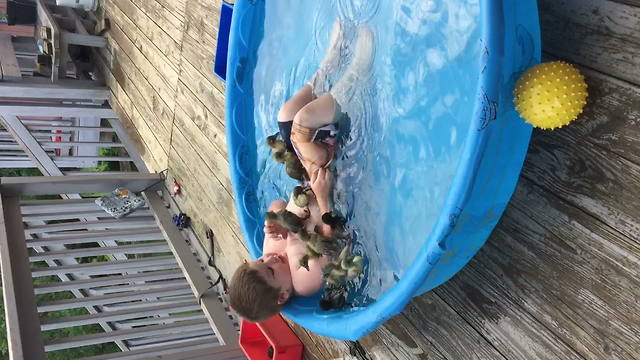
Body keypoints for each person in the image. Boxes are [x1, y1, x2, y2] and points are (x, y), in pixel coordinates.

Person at [229, 20, 374, 322]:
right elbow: (334, 241)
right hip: (335, 189)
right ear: (283, 294)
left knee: (285, 116)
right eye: (270, 269)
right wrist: (322, 198)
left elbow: (279, 207)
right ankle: (359, 70)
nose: (269, 257)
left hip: (311, 178)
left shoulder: (271, 251)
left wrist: (282, 216)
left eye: (259, 259)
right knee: (301, 126)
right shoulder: (304, 280)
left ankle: (330, 63)